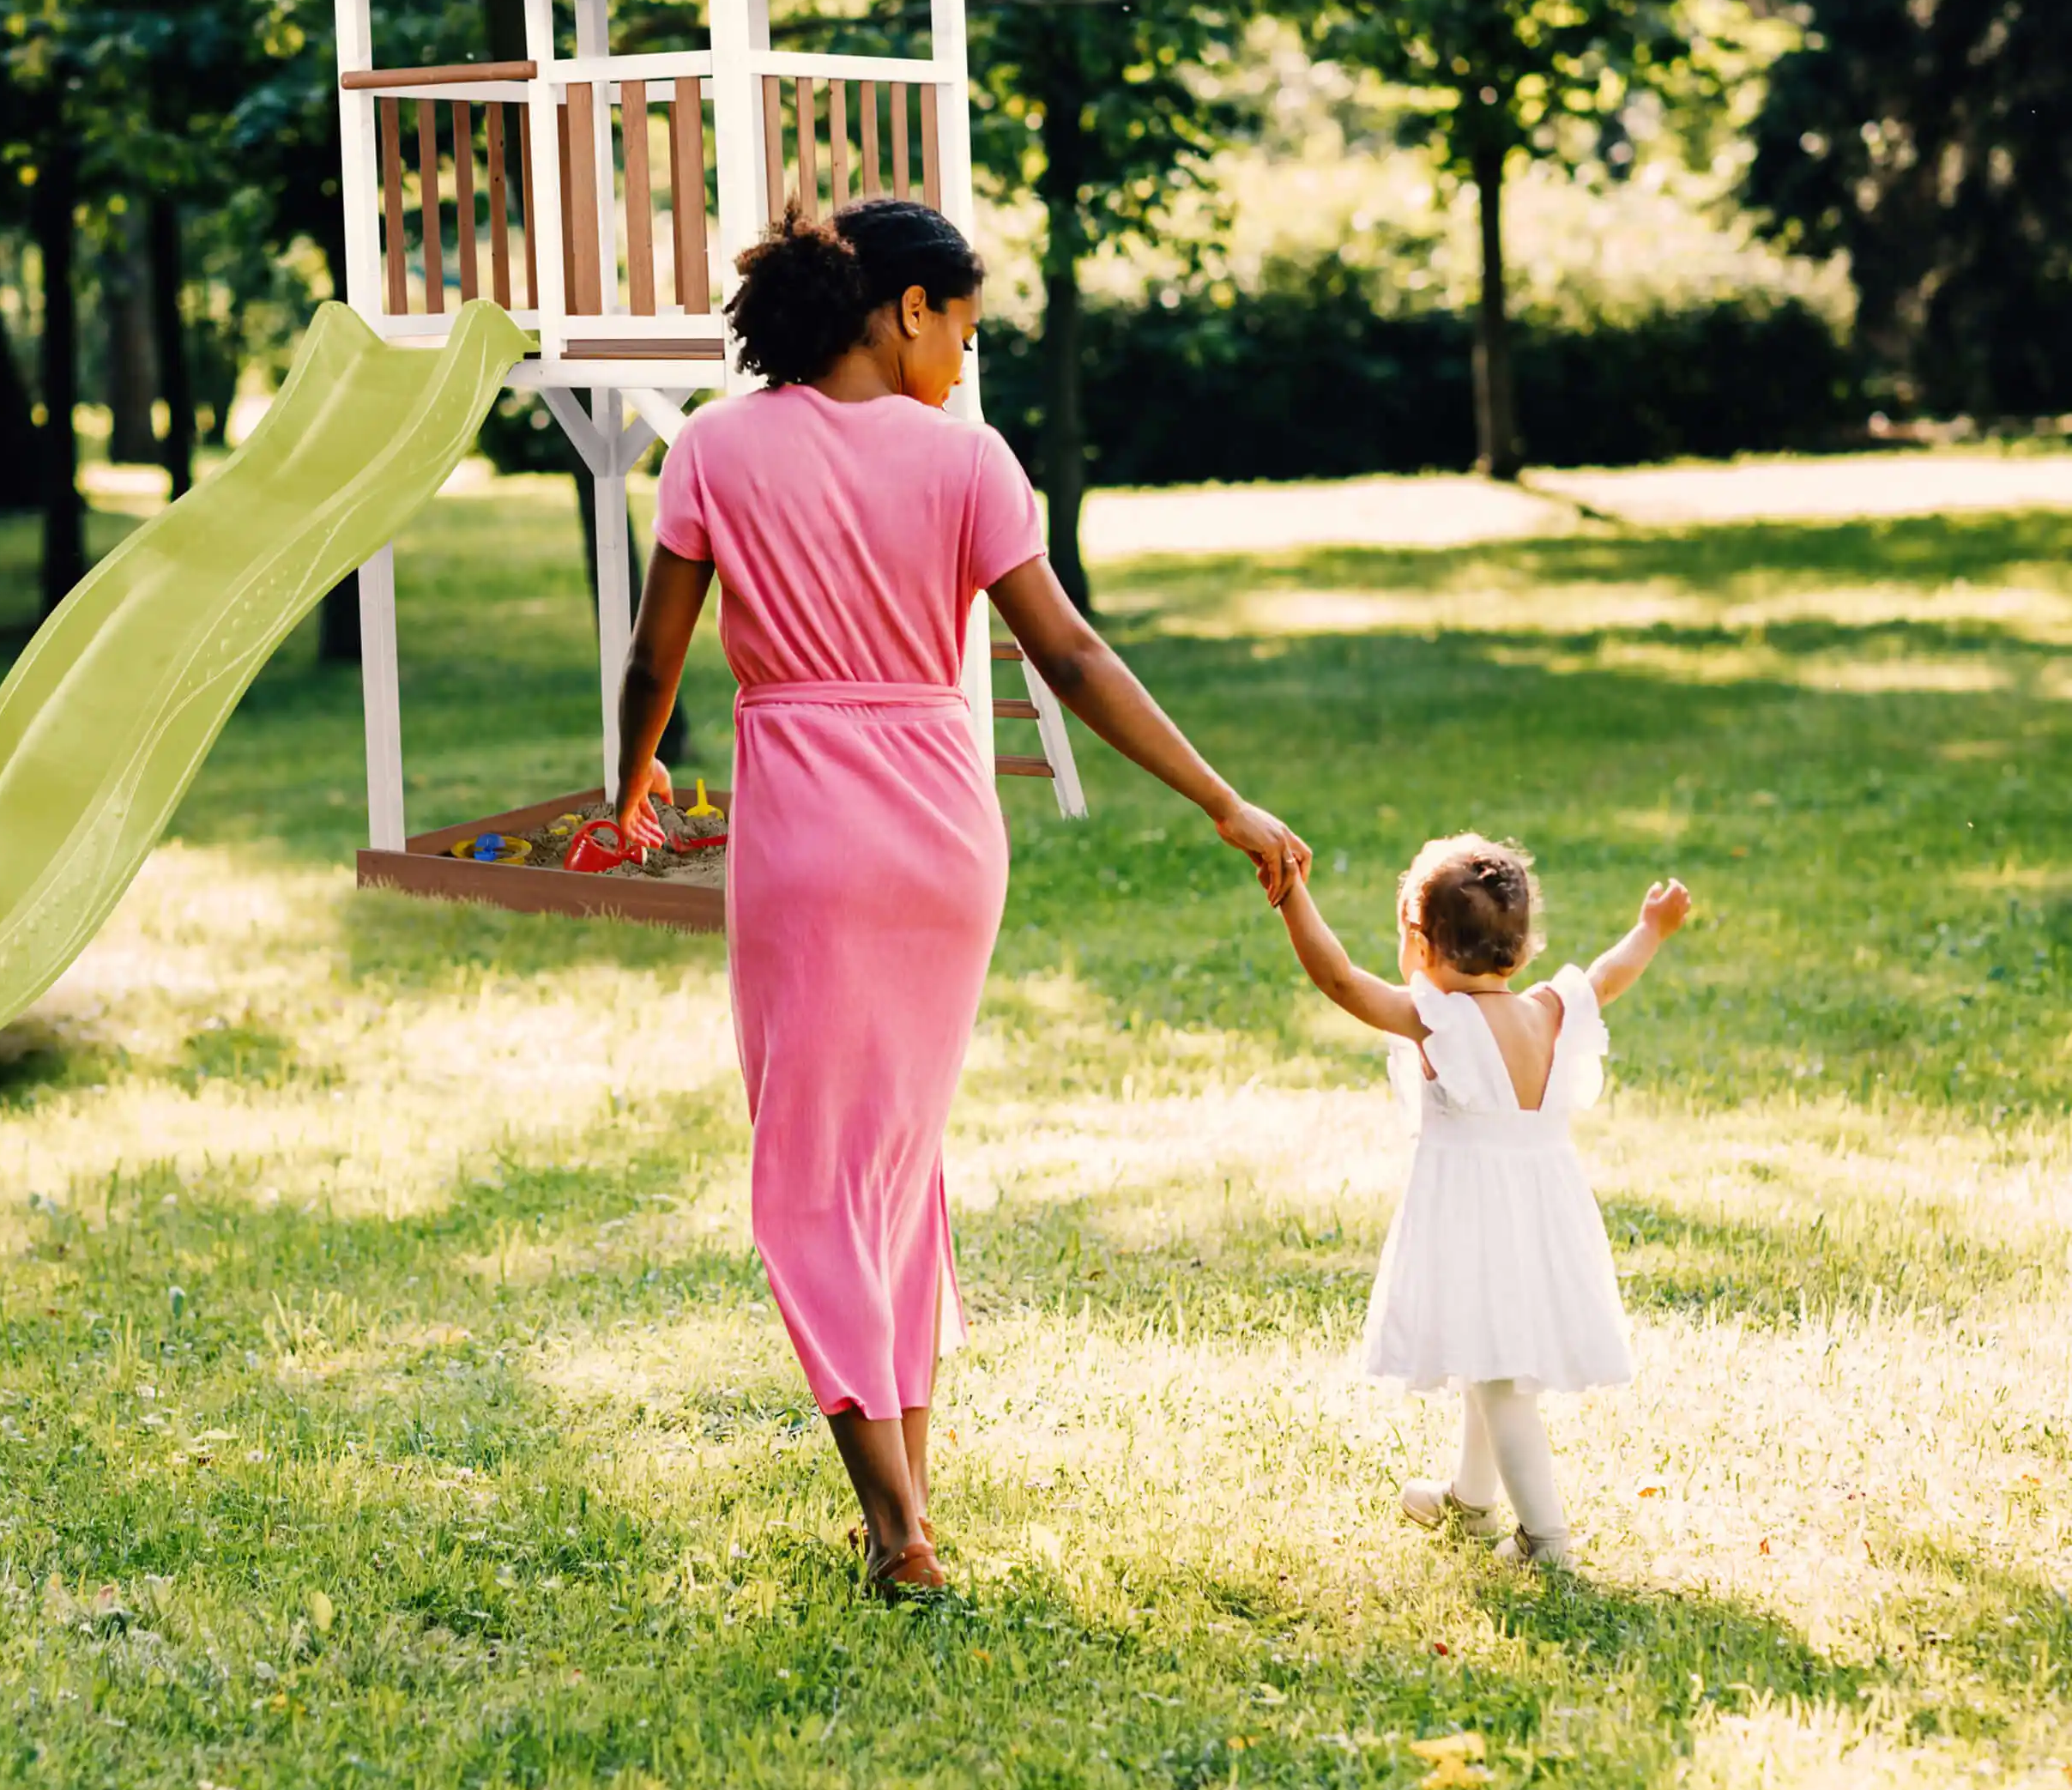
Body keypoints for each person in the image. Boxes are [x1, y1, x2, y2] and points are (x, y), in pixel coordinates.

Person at [609, 201, 1308, 1598]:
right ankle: (908, 1506)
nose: (965, 362)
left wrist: (625, 787)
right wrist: (1220, 797)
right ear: (904, 308)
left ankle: (895, 1528)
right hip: (944, 836)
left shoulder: (713, 449)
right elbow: (1071, 656)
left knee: (812, 1176)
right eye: (964, 331)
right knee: (895, 1166)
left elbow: (655, 660)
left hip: (807, 837)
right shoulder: (971, 463)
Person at [1273, 832, 1692, 1566]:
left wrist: (1291, 894)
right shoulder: (1552, 1009)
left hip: (1476, 1219)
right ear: (1523, 949)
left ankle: (1546, 1540)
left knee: (1501, 1381)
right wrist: (1649, 930)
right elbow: (1609, 974)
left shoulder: (1438, 1020)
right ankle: (1471, 1501)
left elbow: (1339, 979)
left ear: (1420, 945)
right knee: (1485, 1351)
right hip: (1543, 1215)